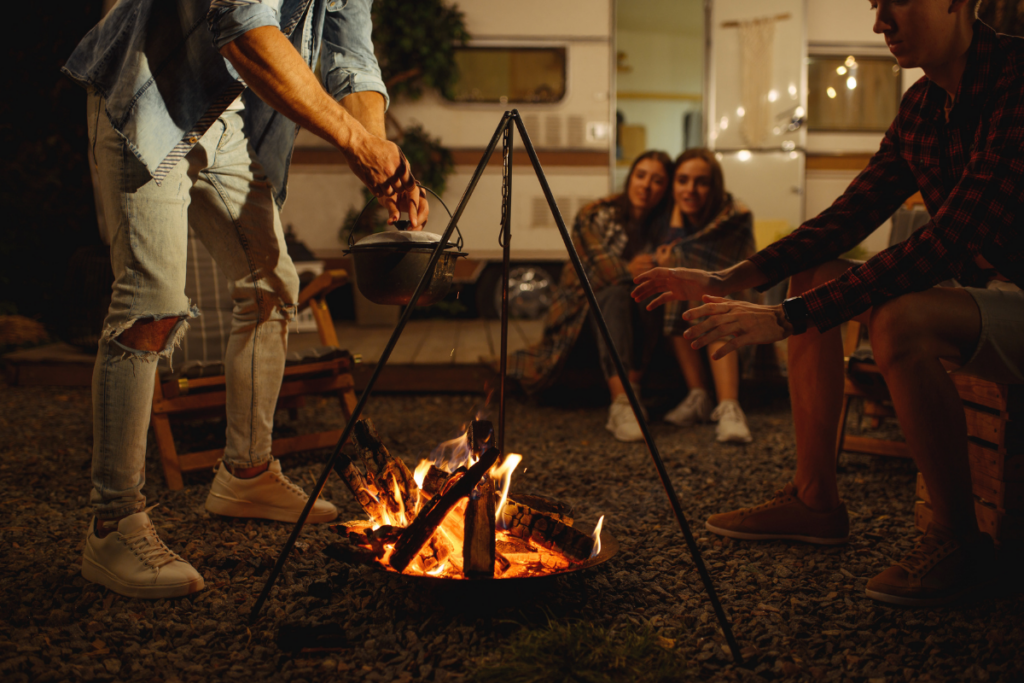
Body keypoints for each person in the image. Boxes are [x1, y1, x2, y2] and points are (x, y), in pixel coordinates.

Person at [633, 0, 1023, 606]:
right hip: (986, 295)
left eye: (898, 2)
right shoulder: (922, 106)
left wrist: (782, 319)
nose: (881, 22)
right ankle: (815, 499)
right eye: (875, 5)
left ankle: (958, 540)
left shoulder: (1016, 81)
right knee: (815, 273)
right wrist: (731, 278)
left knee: (901, 320)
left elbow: (950, 239)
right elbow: (848, 218)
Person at [62, 0, 428, 598]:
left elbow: (352, 59)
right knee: (151, 303)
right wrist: (355, 144)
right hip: (151, 88)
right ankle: (112, 524)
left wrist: (378, 155)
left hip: (225, 118)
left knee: (272, 286)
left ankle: (246, 474)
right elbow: (242, 27)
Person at [507, 151, 673, 442]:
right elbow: (599, 271)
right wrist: (631, 269)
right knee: (615, 295)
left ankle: (630, 395)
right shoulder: (596, 215)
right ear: (630, 178)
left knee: (647, 292)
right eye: (641, 175)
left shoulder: (665, 224)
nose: (646, 185)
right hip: (581, 317)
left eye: (658, 180)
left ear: (666, 188)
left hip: (637, 325)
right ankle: (622, 404)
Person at [654, 149, 756, 443]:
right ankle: (698, 395)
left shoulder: (735, 214)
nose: (690, 190)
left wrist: (674, 257)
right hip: (691, 298)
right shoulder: (670, 214)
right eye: (682, 180)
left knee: (708, 296)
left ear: (715, 187)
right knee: (678, 287)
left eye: (701, 182)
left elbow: (712, 267)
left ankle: (729, 406)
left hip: (736, 295)